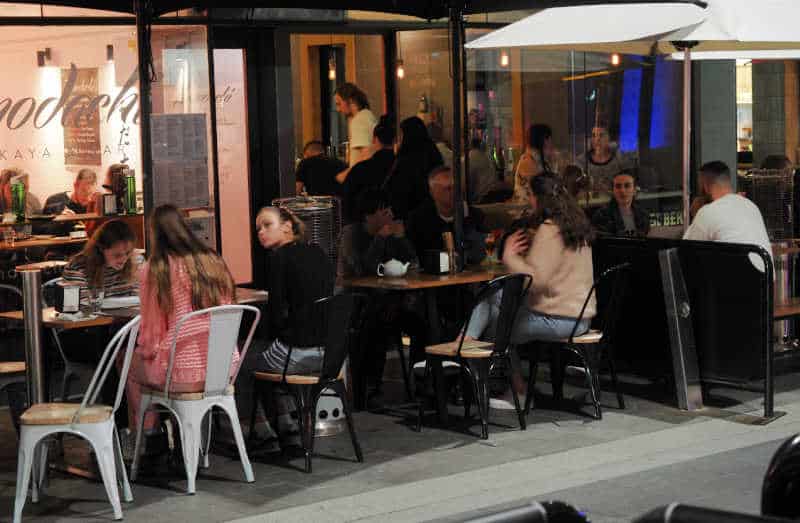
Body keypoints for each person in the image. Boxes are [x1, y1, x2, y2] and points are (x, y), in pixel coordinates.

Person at [463, 174, 595, 409]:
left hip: (559, 319)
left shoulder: (549, 229)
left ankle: (515, 390)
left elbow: (535, 281)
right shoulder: (575, 225)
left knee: (497, 326)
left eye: (531, 196)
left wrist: (510, 257)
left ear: (540, 198)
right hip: (579, 316)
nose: (529, 201)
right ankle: (466, 344)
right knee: (494, 298)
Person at [127, 205, 238, 437]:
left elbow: (153, 332)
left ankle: (148, 437)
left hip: (181, 375)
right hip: (224, 369)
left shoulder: (156, 269)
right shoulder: (212, 261)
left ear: (154, 233)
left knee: (127, 363)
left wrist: (146, 353)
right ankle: (189, 438)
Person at [249, 206, 333, 448]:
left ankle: (271, 428)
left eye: (267, 225)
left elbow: (277, 314)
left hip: (298, 355)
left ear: (287, 226)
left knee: (245, 360)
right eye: (258, 229)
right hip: (330, 356)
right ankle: (287, 422)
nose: (261, 232)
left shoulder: (279, 258)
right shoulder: (318, 251)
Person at [338, 188, 423, 404]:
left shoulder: (390, 235)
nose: (390, 215)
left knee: (424, 323)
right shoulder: (351, 234)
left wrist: (402, 238)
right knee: (374, 323)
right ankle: (368, 387)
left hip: (388, 300)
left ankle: (425, 380)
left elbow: (412, 263)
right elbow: (360, 272)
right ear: (369, 215)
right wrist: (378, 239)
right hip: (355, 303)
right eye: (384, 211)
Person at [60, 219, 139, 430]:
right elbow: (79, 306)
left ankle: (142, 429)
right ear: (101, 249)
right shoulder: (79, 266)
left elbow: (140, 295)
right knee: (116, 350)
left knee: (135, 348)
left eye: (127, 253)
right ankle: (119, 428)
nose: (123, 260)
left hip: (119, 331)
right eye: (117, 255)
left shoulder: (134, 261)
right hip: (82, 334)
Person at [684, 160, 772, 272]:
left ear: (705, 186)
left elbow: (686, 251)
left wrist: (696, 214)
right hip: (766, 282)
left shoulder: (707, 211)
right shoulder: (751, 205)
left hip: (735, 284)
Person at [407, 165, 487, 266]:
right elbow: (417, 256)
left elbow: (481, 253)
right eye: (448, 188)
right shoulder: (419, 220)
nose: (454, 192)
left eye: (456, 187)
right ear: (433, 192)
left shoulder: (475, 216)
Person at [384, 116, 444, 220]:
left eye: (402, 134)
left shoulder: (406, 158)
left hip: (409, 215)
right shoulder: (432, 151)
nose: (400, 138)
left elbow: (396, 189)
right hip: (432, 212)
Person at [341, 114, 396, 224]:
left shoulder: (361, 169)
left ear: (375, 139)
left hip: (364, 227)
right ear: (395, 140)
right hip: (396, 225)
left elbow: (346, 202)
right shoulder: (403, 167)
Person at [334, 82, 378, 183]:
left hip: (361, 182)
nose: (338, 109)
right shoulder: (367, 116)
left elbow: (367, 152)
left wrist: (346, 174)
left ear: (351, 101)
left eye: (339, 104)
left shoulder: (360, 120)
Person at [592, 169, 651, 237]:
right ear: (613, 191)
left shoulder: (643, 214)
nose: (622, 191)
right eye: (618, 186)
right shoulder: (601, 215)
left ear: (635, 190)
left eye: (627, 186)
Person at [513, 124, 560, 204]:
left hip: (538, 207)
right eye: (548, 138)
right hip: (526, 209)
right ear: (543, 140)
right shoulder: (527, 161)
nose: (550, 142)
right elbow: (545, 187)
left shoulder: (539, 159)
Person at [580, 126, 626, 194]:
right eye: (594, 135)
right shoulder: (582, 161)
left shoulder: (619, 160)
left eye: (601, 135)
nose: (597, 139)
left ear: (609, 138)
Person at [465, 136, 500, 204]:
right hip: (493, 194)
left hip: (480, 198)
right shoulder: (487, 157)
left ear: (470, 145)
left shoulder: (468, 158)